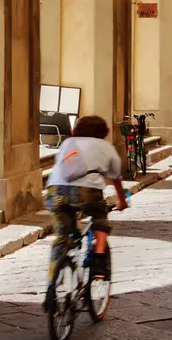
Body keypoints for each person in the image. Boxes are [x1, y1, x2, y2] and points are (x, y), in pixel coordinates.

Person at [44, 114, 128, 311]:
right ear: (102, 133)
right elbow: (115, 176)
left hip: (56, 191)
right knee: (100, 216)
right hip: (87, 193)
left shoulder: (67, 143)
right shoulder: (104, 147)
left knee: (62, 238)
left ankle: (51, 285)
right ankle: (98, 258)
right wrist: (121, 199)